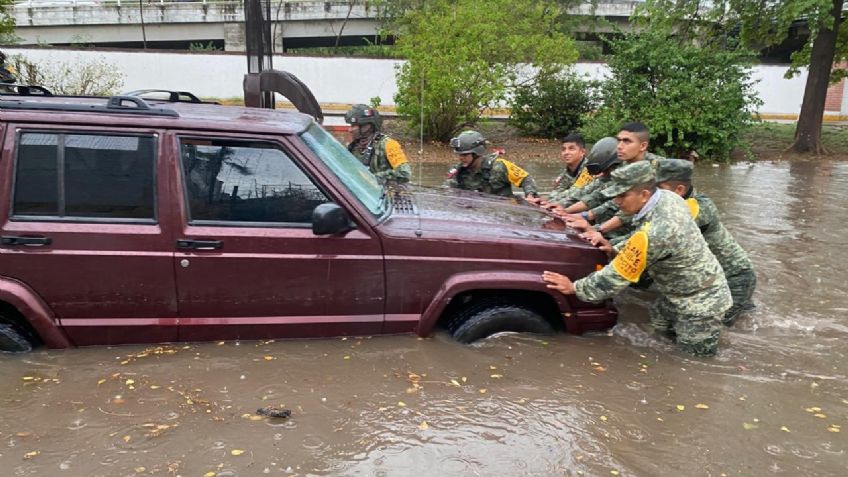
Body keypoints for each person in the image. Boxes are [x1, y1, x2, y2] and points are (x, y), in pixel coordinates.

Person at [542, 161, 732, 357]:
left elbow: (617, 276)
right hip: (676, 293)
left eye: (622, 195)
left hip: (701, 303)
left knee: (693, 361)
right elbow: (639, 235)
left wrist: (575, 288)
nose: (617, 201)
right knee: (659, 339)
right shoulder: (667, 198)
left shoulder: (661, 231)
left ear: (644, 194)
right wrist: (613, 247)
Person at [655, 158, 756, 325]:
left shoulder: (700, 207)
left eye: (659, 188)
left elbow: (660, 235)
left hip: (733, 278)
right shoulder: (672, 203)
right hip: (711, 277)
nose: (654, 194)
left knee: (714, 327)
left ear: (679, 189)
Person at [445, 130, 539, 199]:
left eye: (465, 155)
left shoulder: (499, 166)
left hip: (504, 210)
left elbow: (526, 179)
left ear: (476, 153)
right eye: (459, 155)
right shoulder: (457, 171)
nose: (461, 158)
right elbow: (447, 189)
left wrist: (530, 195)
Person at [344, 104, 411, 184]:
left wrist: (372, 178)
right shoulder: (353, 147)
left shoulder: (389, 144)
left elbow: (404, 173)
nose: (350, 130)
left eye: (353, 126)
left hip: (385, 190)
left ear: (367, 126)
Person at [544, 132, 592, 204]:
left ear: (582, 152)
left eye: (571, 149)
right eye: (563, 149)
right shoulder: (565, 173)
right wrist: (544, 202)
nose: (566, 152)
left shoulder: (590, 170)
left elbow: (574, 194)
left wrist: (549, 203)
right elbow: (556, 193)